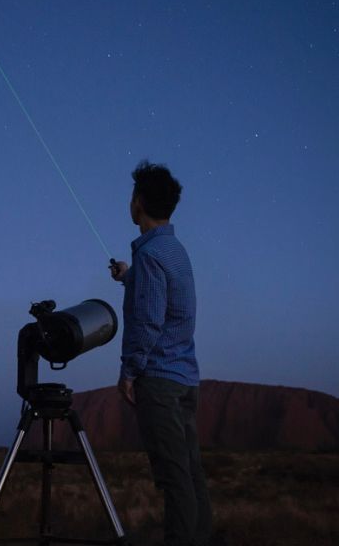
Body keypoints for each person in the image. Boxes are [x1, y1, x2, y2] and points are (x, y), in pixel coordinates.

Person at [109, 161, 212, 546]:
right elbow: (168, 300)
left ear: (137, 203)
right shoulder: (174, 251)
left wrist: (129, 371)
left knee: (174, 479)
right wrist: (127, 275)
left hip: (160, 383)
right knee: (191, 475)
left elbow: (150, 321)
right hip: (185, 380)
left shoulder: (150, 256)